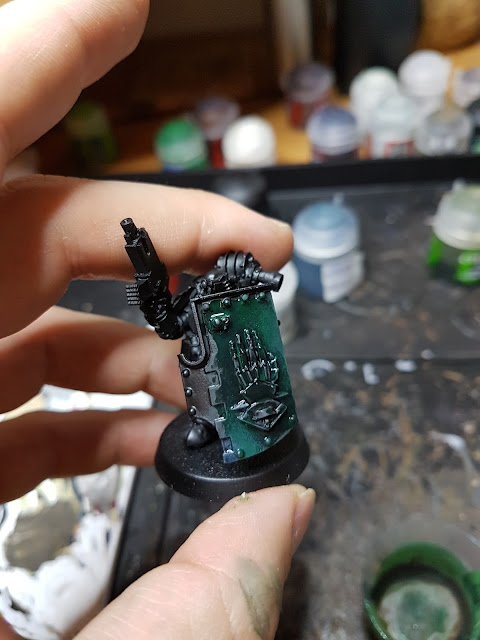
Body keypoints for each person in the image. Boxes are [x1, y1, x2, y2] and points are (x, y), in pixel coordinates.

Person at [0, 1, 315, 638]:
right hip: (205, 375)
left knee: (229, 395)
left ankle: (225, 430)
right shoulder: (197, 311)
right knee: (201, 397)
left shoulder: (241, 303)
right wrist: (143, 259)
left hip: (245, 389)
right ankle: (210, 428)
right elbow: (167, 320)